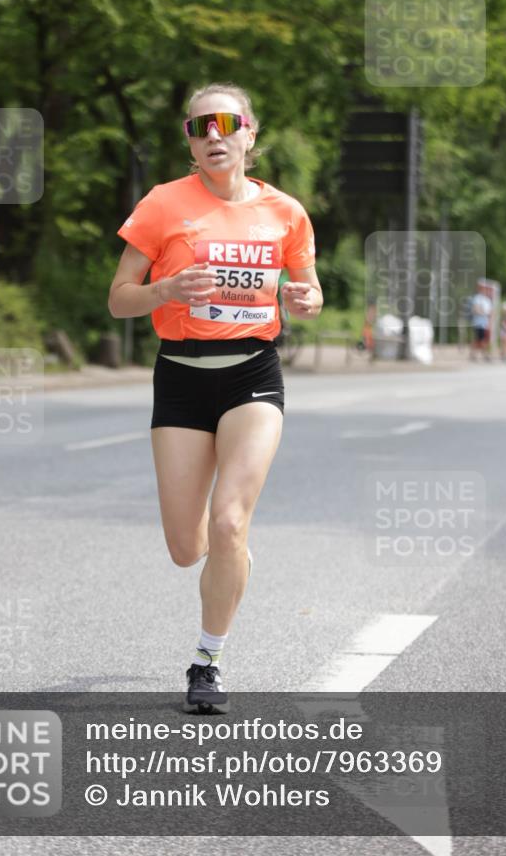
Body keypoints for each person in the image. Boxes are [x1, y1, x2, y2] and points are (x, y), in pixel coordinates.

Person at [108, 82, 322, 714]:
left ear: (249, 131)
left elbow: (307, 293)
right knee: (186, 547)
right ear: (190, 141)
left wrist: (306, 300)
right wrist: (165, 289)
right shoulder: (163, 204)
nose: (212, 135)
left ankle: (207, 661)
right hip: (179, 375)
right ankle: (228, 553)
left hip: (252, 374)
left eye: (225, 123)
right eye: (198, 127)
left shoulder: (285, 211)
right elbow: (120, 297)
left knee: (230, 520)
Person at [468, 279, 493, 362]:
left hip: (485, 323)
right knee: (478, 339)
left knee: (483, 339)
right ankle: (477, 354)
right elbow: (475, 309)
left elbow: (490, 312)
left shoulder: (487, 299)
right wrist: (482, 312)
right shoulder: (477, 298)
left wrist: (489, 321)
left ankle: (482, 354)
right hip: (478, 322)